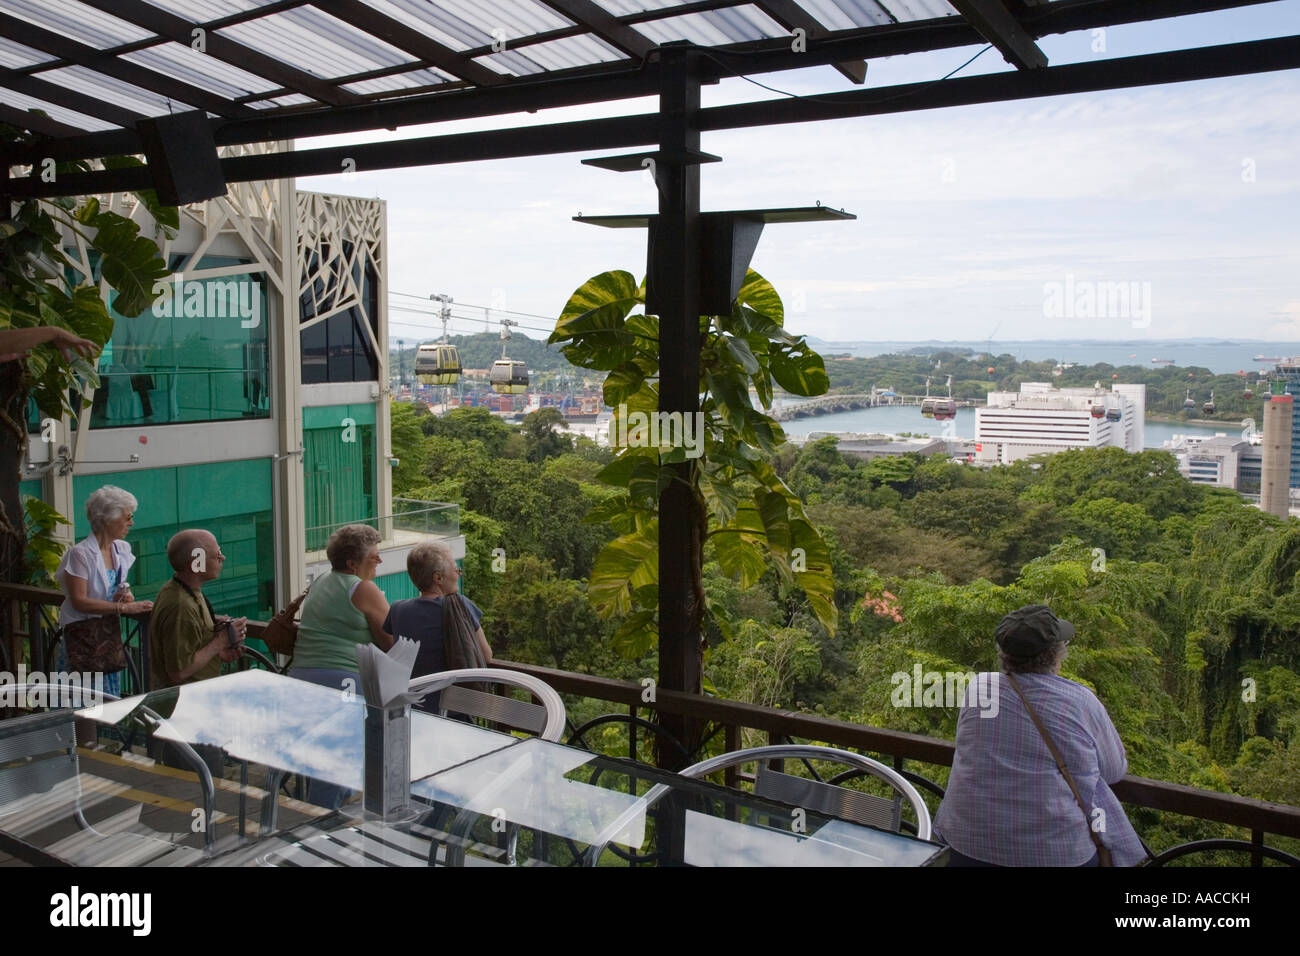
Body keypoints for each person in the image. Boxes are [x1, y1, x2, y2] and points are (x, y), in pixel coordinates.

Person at [932, 605, 1146, 867]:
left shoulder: (979, 687)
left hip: (965, 844)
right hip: (1055, 852)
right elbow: (1113, 771)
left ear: (1003, 653)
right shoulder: (1079, 701)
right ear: (1056, 654)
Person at [289, 523, 392, 808]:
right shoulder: (363, 589)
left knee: (326, 758)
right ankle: (320, 828)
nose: (379, 560)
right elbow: (391, 641)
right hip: (341, 682)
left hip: (302, 677)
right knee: (337, 761)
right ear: (352, 563)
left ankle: (324, 819)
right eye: (374, 555)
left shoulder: (322, 580)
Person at [55, 485, 153, 745]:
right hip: (84, 639)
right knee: (83, 705)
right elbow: (80, 601)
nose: (131, 522)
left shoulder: (121, 550)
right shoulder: (81, 553)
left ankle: (93, 753)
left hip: (105, 638)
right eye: (127, 516)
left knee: (101, 702)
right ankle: (81, 755)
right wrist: (123, 608)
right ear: (107, 518)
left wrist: (123, 598)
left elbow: (110, 591)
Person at [383, 541, 492, 712]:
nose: (459, 574)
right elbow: (486, 655)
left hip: (409, 707)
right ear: (438, 577)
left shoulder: (397, 609)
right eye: (456, 569)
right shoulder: (460, 606)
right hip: (452, 710)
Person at [148, 529, 247, 689]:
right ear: (196, 562)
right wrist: (220, 641)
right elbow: (178, 672)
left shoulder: (178, 590)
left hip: (191, 697)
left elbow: (190, 649)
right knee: (93, 706)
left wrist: (218, 653)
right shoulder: (181, 605)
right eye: (217, 555)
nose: (222, 558)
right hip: (184, 703)